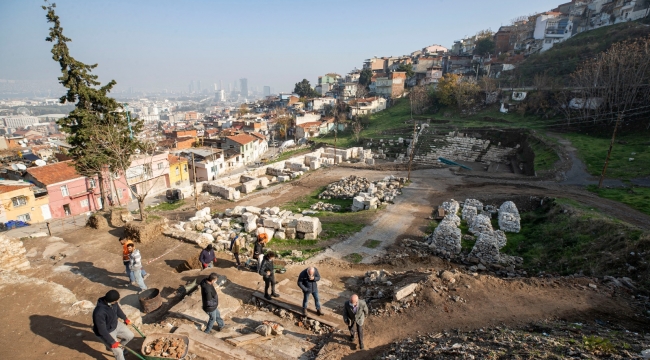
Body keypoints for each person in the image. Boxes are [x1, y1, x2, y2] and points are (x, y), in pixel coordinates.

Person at [92, 290, 134, 360]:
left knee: (130, 335)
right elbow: (102, 330)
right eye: (115, 301)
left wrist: (125, 318)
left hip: (115, 324)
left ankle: (121, 347)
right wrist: (112, 342)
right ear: (109, 301)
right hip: (106, 331)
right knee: (119, 352)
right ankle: (117, 350)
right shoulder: (99, 313)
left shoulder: (113, 303)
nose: (116, 302)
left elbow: (118, 310)